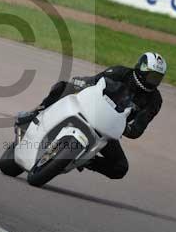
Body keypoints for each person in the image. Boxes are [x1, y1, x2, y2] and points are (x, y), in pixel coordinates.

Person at [16, 52, 167, 180]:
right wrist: (81, 83)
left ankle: (86, 161)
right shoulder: (120, 72)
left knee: (120, 168)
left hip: (106, 129)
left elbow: (140, 125)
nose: (154, 81)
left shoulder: (155, 100)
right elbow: (94, 81)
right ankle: (35, 113)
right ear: (141, 69)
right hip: (88, 108)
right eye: (152, 76)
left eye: (158, 78)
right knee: (62, 86)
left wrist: (128, 129)